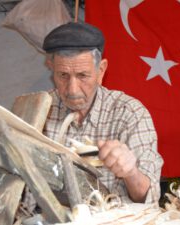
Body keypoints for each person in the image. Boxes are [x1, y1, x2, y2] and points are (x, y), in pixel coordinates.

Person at [42, 22, 163, 204]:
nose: (72, 89)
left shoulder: (130, 113)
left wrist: (131, 172)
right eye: (63, 76)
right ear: (52, 69)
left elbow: (148, 196)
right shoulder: (41, 110)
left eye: (83, 75)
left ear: (101, 71)